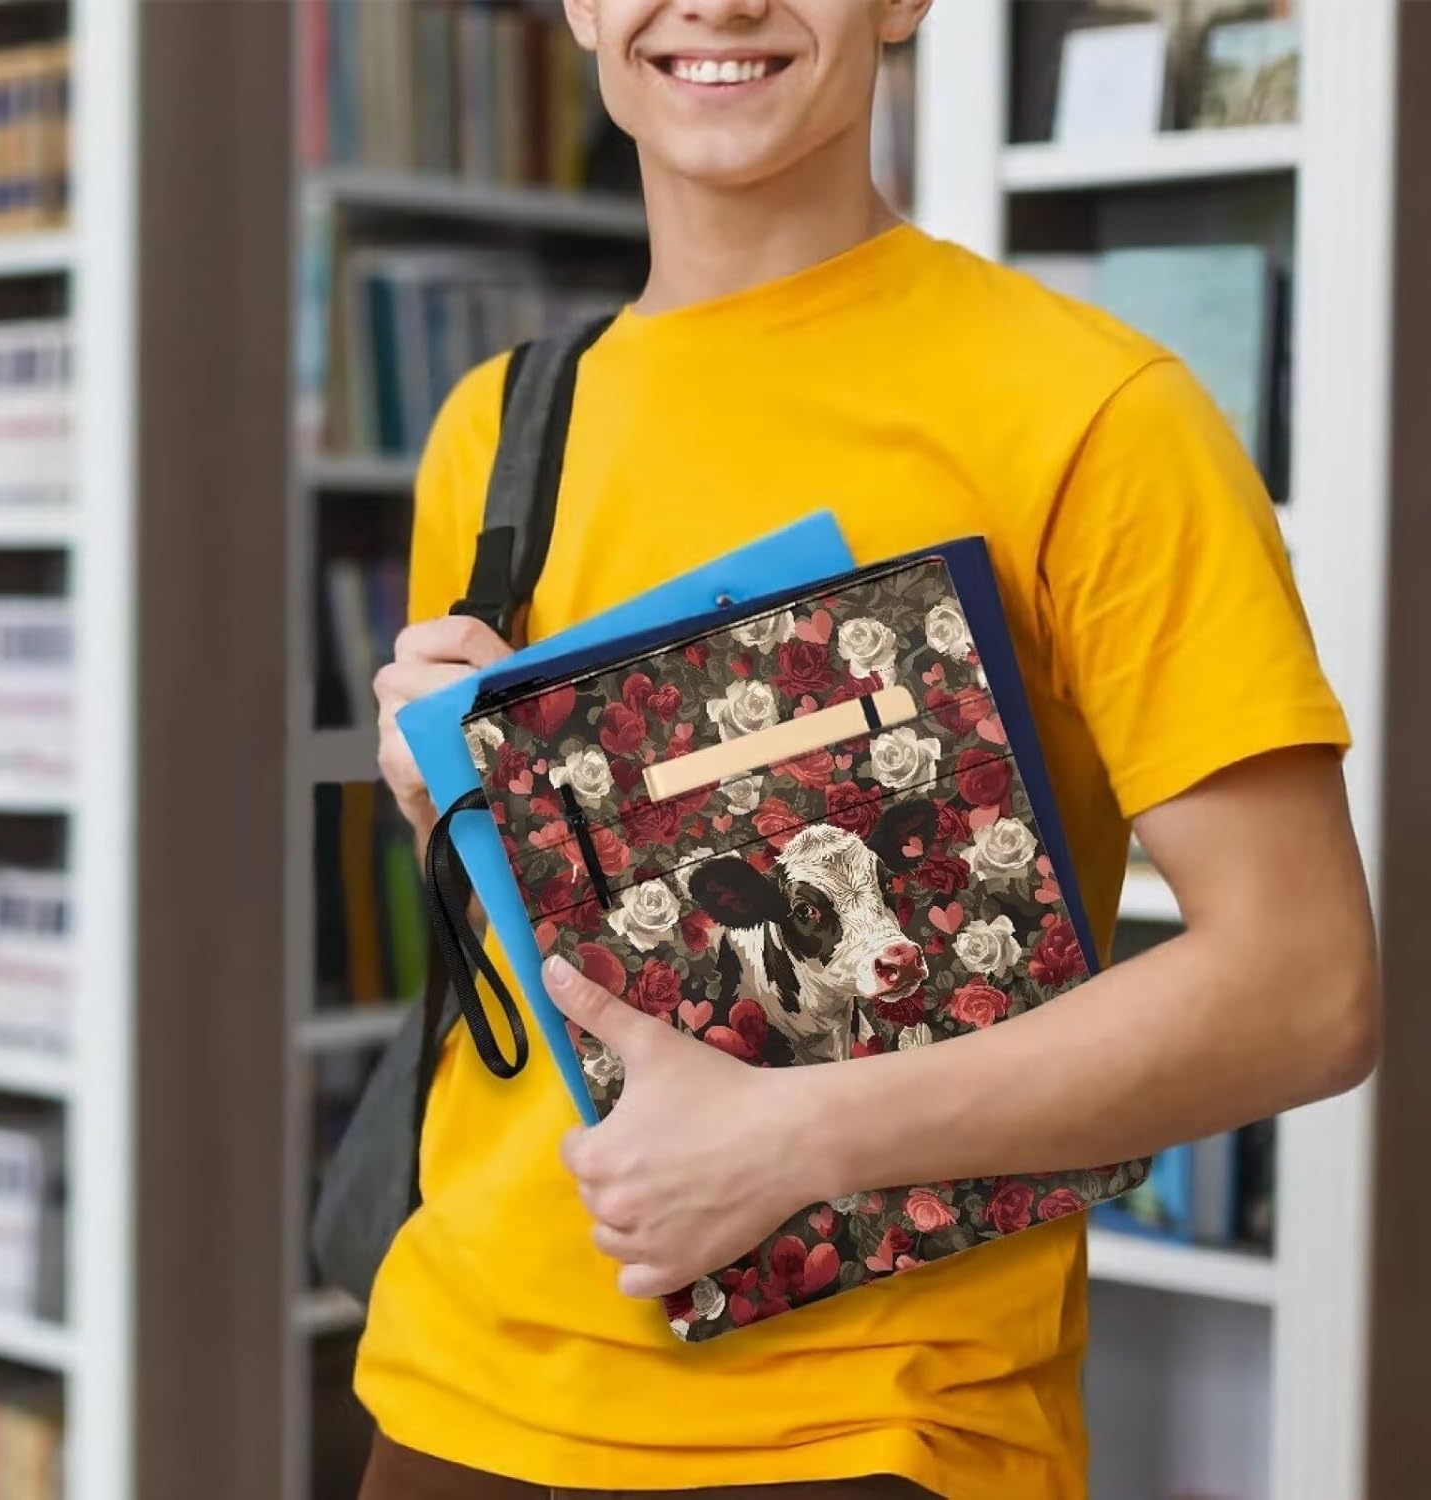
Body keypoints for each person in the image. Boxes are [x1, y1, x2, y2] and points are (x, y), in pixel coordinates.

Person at [360, 1, 1381, 1496]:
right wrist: (439, 790)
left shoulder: (1098, 412)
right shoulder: (501, 426)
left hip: (873, 1435)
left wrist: (796, 1139)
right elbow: (539, 939)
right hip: (455, 1397)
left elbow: (1307, 988)